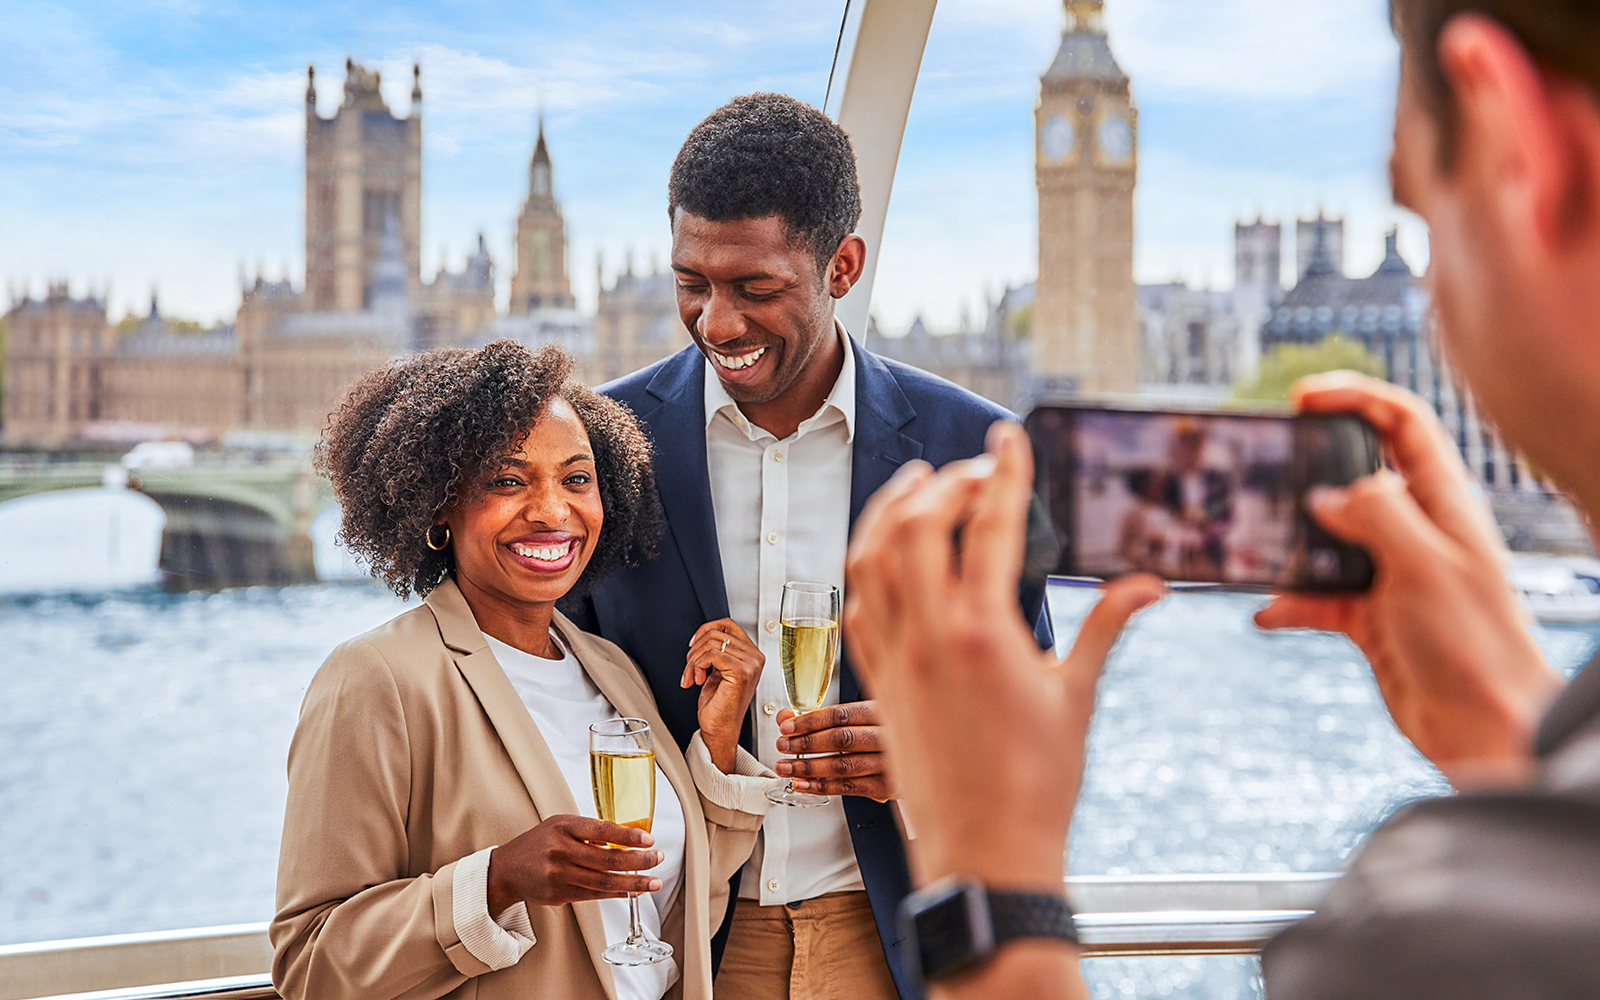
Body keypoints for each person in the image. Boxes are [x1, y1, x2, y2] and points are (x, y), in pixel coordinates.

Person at [842, 0, 1600, 992]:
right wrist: (1516, 736)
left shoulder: (1443, 940)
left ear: (1511, 140)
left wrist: (985, 869)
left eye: (1419, 209)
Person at [564, 93, 1052, 1000]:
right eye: (691, 283)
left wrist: (933, 758)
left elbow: (1033, 710)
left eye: (756, 289)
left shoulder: (974, 453)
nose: (716, 323)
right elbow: (544, 699)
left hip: (893, 937)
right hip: (679, 940)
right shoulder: (599, 447)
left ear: (843, 266)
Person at [270, 340, 784, 1000]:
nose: (551, 510)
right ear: (437, 507)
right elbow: (311, 965)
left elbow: (663, 928)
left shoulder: (611, 671)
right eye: (508, 482)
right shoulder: (375, 680)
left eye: (575, 479)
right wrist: (495, 881)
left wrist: (716, 742)